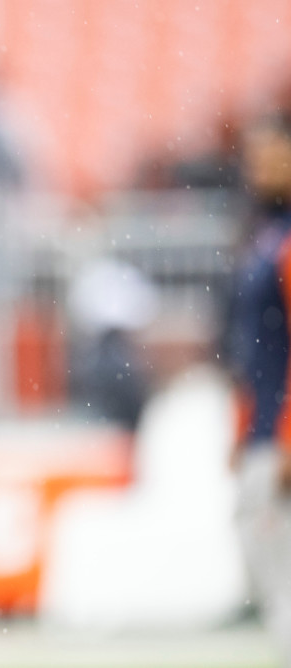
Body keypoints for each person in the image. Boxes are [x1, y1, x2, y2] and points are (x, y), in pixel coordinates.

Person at [227, 110, 291, 667]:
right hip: (263, 425)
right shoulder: (264, 232)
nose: (262, 168)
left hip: (281, 433)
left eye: (275, 156)